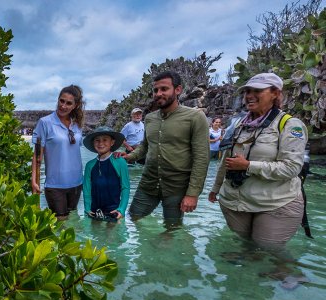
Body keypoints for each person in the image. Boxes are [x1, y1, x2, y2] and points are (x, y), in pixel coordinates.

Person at [208, 72, 308, 250]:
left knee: (269, 253)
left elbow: (292, 168)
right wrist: (215, 188)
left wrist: (248, 166)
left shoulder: (290, 125)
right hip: (236, 202)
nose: (249, 96)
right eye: (247, 91)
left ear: (275, 94)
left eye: (257, 90)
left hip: (277, 202)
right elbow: (226, 160)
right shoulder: (238, 125)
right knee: (245, 249)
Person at [122, 71, 210, 226]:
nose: (158, 94)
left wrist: (193, 193)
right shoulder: (149, 118)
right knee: (131, 219)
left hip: (176, 187)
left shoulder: (195, 117)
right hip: (148, 183)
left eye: (164, 89)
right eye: (155, 90)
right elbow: (145, 146)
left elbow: (201, 157)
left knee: (172, 229)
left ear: (178, 90)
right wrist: (129, 157)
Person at [31, 85, 85, 220]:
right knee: (61, 224)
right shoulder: (45, 122)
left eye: (68, 103)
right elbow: (37, 155)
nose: (63, 106)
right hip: (55, 185)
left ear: (75, 105)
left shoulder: (77, 124)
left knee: (73, 222)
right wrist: (33, 180)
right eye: (62, 101)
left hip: (77, 182)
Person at [82, 126, 130, 221]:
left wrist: (121, 209)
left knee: (113, 235)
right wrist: (87, 208)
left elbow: (125, 187)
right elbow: (86, 189)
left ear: (112, 142)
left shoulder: (120, 162)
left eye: (105, 140)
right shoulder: (89, 165)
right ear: (93, 143)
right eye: (97, 140)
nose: (101, 143)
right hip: (94, 211)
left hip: (114, 212)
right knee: (93, 235)